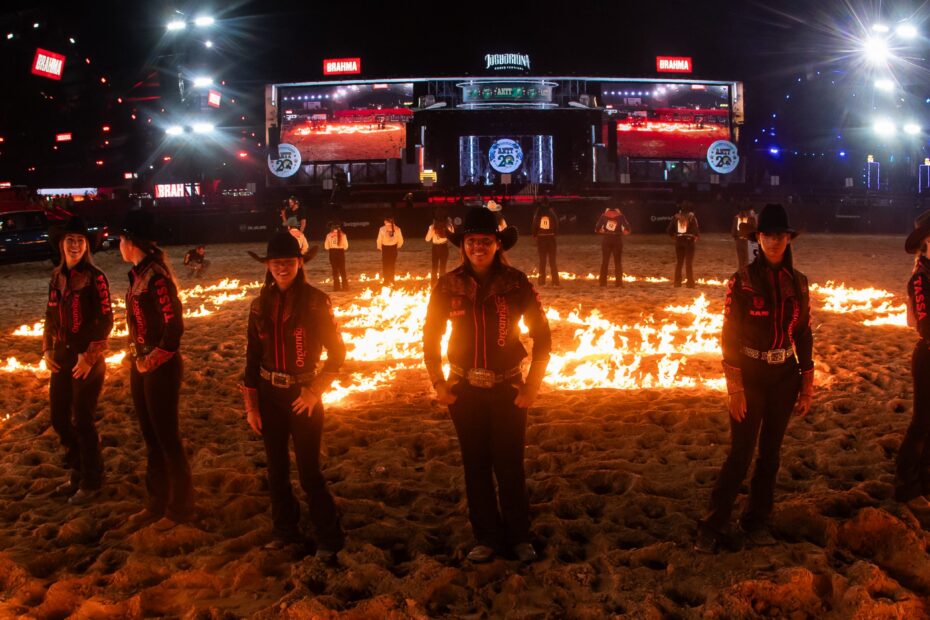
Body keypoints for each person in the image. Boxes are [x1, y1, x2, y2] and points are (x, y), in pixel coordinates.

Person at [423, 207, 551, 564]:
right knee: (475, 464)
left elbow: (543, 336)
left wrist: (532, 386)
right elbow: (430, 336)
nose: (478, 247)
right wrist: (439, 382)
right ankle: (487, 536)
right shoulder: (447, 285)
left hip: (508, 388)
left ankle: (519, 536)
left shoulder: (516, 283)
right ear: (462, 245)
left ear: (497, 244)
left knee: (510, 464)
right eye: (471, 241)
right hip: (463, 390)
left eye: (485, 241)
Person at [696, 203, 814, 553]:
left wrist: (806, 382)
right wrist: (735, 388)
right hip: (750, 374)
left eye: (780, 235)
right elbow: (729, 336)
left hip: (784, 376)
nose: (773, 241)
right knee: (741, 452)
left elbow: (804, 333)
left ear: (789, 239)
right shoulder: (742, 282)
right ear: (757, 238)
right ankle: (714, 522)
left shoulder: (800, 284)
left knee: (771, 453)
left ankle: (757, 519)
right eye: (767, 235)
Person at [240, 233, 346, 559]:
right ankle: (285, 531)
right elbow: (251, 359)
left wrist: (315, 392)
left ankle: (329, 536)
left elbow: (338, 353)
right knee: (276, 469)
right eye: (276, 263)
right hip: (269, 395)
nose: (282, 268)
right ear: (268, 266)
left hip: (303, 394)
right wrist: (251, 406)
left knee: (309, 469)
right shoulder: (259, 306)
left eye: (288, 262)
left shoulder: (316, 301)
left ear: (300, 264)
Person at [119, 210, 195, 530]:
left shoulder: (157, 276)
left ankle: (179, 508)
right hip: (141, 363)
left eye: (121, 240)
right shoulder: (139, 274)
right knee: (151, 437)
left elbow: (173, 324)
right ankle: (156, 501)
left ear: (131, 243)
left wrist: (155, 358)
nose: (118, 245)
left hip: (159, 366)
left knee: (167, 438)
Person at [43, 217, 113, 504]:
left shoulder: (96, 277)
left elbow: (106, 320)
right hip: (61, 355)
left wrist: (89, 356)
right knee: (59, 418)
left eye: (79, 241)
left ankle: (92, 481)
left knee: (82, 419)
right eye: (70, 240)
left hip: (87, 359)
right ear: (61, 244)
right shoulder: (56, 276)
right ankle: (79, 470)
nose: (74, 245)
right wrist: (47, 349)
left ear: (86, 246)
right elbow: (49, 315)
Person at [895, 211, 930, 511]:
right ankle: (906, 483)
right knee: (921, 423)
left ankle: (925, 480)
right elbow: (925, 323)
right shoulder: (920, 279)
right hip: (928, 355)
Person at [595, 207, 631, 287]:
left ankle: (602, 283)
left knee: (605, 262)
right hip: (617, 240)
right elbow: (628, 229)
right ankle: (618, 283)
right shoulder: (621, 216)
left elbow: (597, 228)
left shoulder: (603, 216)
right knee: (618, 262)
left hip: (606, 239)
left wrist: (603, 231)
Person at [667, 202, 700, 288]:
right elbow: (696, 231)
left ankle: (677, 283)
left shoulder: (676, 217)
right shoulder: (692, 217)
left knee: (679, 263)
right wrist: (695, 237)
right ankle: (690, 283)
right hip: (689, 242)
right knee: (688, 263)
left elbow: (669, 230)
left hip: (679, 241)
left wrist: (675, 237)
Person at [532, 199, 560, 287]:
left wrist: (535, 234)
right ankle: (555, 281)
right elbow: (556, 225)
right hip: (551, 238)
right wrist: (555, 233)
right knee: (552, 261)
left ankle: (541, 281)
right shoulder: (552, 213)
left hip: (541, 238)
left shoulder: (538, 213)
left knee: (542, 261)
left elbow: (534, 225)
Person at [376, 216, 403, 285]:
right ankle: (392, 280)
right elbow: (401, 240)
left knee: (385, 265)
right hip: (393, 248)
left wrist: (380, 247)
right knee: (392, 265)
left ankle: (386, 280)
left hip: (385, 248)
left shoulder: (382, 229)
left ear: (385, 221)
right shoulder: (397, 229)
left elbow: (379, 240)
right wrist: (397, 246)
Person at [425, 216, 452, 282]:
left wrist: (431, 229)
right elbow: (452, 235)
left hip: (435, 248)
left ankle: (433, 285)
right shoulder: (449, 226)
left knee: (434, 267)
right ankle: (441, 284)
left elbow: (427, 239)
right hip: (444, 247)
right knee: (443, 267)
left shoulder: (432, 227)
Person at [324, 221, 349, 292]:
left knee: (335, 270)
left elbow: (326, 247)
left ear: (331, 228)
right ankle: (345, 287)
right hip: (341, 252)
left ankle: (336, 287)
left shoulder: (328, 235)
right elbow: (346, 246)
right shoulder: (343, 235)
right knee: (342, 270)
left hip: (332, 253)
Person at [732, 205, 758, 269]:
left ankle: (744, 271)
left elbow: (734, 229)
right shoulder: (748, 219)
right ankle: (742, 271)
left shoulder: (750, 219)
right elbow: (734, 229)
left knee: (744, 258)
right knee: (742, 258)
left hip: (744, 240)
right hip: (742, 240)